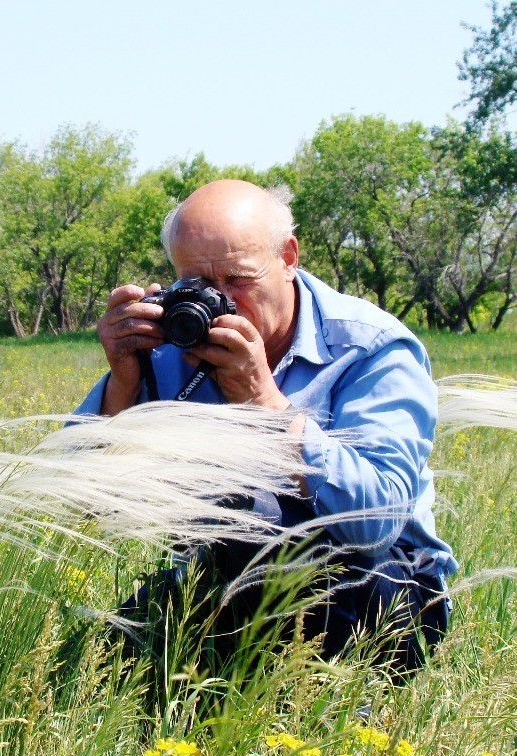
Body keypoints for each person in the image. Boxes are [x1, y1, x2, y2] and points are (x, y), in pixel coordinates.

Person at [75, 179, 455, 676]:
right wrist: (123, 385)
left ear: (289, 256)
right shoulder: (171, 345)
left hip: (380, 584)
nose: (221, 301)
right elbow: (79, 507)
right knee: (98, 666)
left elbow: (376, 525)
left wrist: (265, 401)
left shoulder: (371, 349)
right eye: (200, 284)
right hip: (223, 576)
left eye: (238, 278)